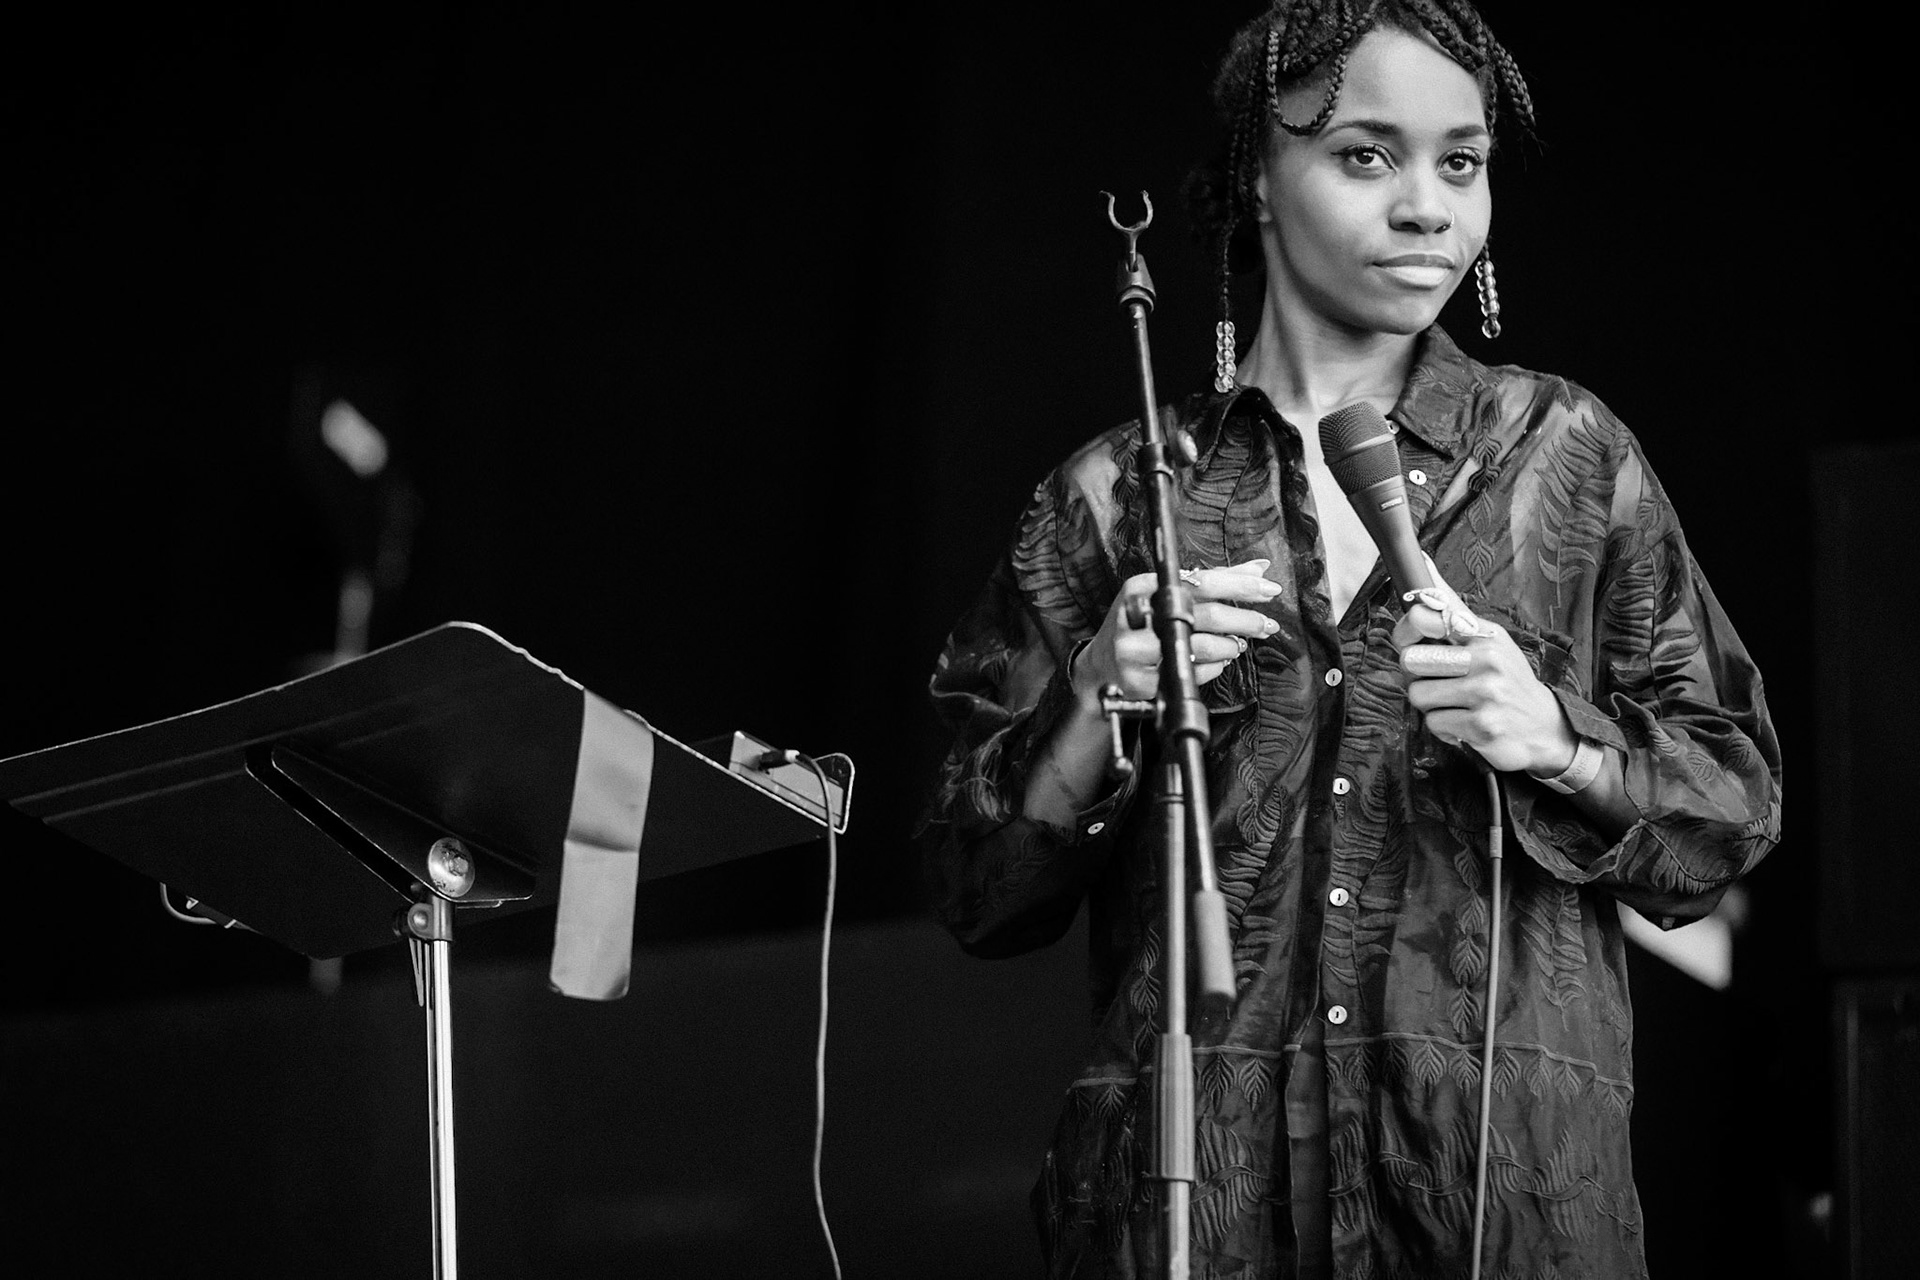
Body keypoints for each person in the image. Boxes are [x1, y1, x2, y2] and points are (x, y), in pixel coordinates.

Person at [919, 2, 1783, 1277]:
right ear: (1256, 180)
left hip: (1502, 1205)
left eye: (1463, 161)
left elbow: (1732, 808)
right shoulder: (1123, 493)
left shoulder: (1564, 457)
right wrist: (1097, 696)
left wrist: (1559, 741)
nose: (1429, 206)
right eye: (1366, 155)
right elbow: (971, 887)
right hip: (1192, 1208)